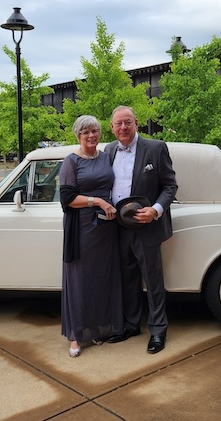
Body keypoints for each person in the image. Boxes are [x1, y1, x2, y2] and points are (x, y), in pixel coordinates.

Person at [105, 106, 178, 354]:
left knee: (153, 280)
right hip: (118, 227)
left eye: (127, 122)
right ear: (112, 127)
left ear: (136, 123)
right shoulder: (109, 150)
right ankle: (130, 325)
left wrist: (155, 210)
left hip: (147, 226)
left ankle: (158, 331)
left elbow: (170, 185)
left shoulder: (156, 148)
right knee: (127, 280)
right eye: (118, 124)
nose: (123, 127)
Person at [59, 115, 122, 358]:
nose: (91, 136)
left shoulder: (106, 156)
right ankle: (76, 335)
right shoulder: (71, 162)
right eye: (86, 132)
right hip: (82, 228)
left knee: (101, 278)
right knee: (79, 280)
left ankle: (95, 328)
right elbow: (67, 200)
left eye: (94, 131)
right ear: (78, 135)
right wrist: (97, 201)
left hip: (106, 228)